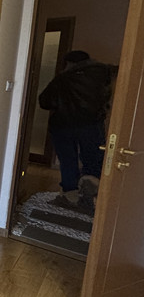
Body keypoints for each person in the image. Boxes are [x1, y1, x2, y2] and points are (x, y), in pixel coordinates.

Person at [38, 50, 116, 211]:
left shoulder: (63, 78)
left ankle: (70, 195)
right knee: (93, 158)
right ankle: (90, 195)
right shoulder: (104, 74)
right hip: (92, 125)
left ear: (69, 63)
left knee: (68, 160)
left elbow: (44, 101)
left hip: (63, 125)